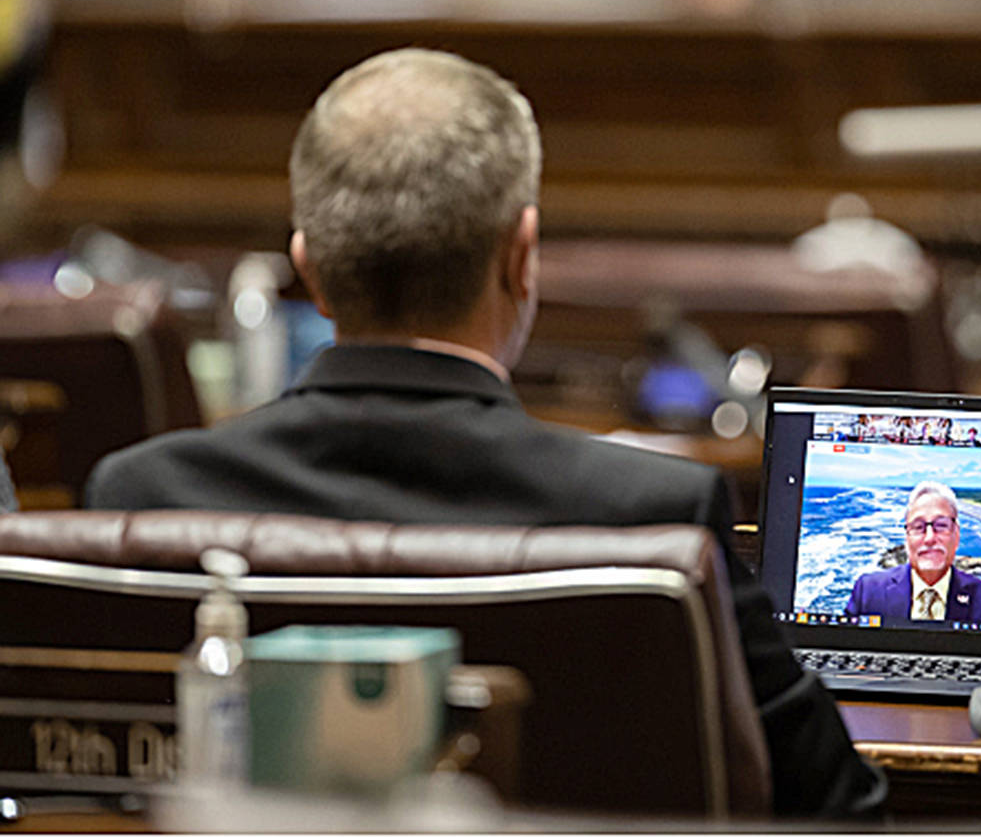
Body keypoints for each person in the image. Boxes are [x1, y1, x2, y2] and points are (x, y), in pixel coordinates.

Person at [83, 48, 884, 819]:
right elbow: (840, 808)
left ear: (310, 272)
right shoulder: (657, 512)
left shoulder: (142, 503)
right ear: (521, 258)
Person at [843, 481, 981, 624]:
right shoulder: (868, 592)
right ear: (907, 538)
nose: (929, 538)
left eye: (941, 525)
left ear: (956, 535)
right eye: (918, 527)